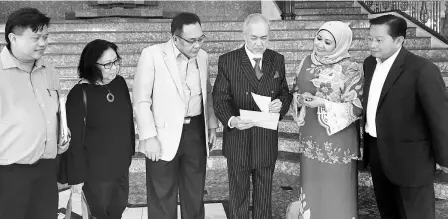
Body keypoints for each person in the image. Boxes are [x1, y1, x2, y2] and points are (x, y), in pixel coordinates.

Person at [0, 8, 61, 219]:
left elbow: (55, 111)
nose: (43, 43)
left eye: (45, 36)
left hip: (44, 172)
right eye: (36, 37)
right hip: (3, 175)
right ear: (12, 38)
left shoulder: (49, 70)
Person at [133, 12, 218, 219]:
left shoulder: (203, 57)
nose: (197, 45)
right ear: (175, 38)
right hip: (161, 135)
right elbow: (141, 99)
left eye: (201, 38)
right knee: (162, 194)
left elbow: (206, 92)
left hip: (195, 131)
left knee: (195, 192)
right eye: (191, 41)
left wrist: (211, 126)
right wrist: (148, 136)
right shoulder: (152, 55)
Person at [363, 14, 448, 219]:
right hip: (377, 150)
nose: (372, 44)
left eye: (379, 40)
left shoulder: (422, 69)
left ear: (399, 40)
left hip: (411, 159)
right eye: (369, 38)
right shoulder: (370, 64)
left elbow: (439, 117)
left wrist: (444, 158)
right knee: (387, 210)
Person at [212, 13, 291, 218]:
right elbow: (220, 98)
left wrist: (281, 104)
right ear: (244, 35)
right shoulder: (228, 61)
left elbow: (284, 92)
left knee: (264, 195)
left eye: (263, 38)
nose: (259, 43)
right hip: (239, 138)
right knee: (238, 195)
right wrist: (231, 120)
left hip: (265, 138)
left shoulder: (277, 60)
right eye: (254, 38)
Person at [287, 21, 363, 219]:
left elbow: (356, 107)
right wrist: (298, 99)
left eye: (327, 42)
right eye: (318, 38)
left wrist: (323, 103)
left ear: (340, 45)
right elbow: (295, 90)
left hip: (337, 141)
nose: (319, 45)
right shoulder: (305, 61)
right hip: (310, 137)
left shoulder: (350, 68)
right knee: (312, 186)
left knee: (335, 190)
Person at [64, 39, 135, 219]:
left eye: (116, 61)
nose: (114, 68)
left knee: (117, 210)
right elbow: (75, 141)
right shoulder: (79, 93)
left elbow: (126, 122)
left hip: (119, 167)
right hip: (94, 173)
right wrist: (76, 177)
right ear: (91, 65)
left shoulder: (119, 83)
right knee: (97, 214)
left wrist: (128, 155)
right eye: (107, 64)